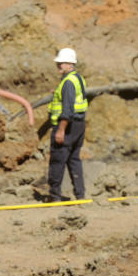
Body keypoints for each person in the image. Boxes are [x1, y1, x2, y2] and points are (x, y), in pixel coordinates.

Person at [47, 48, 88, 202]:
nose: (58, 65)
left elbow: (68, 110)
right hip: (79, 125)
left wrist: (61, 130)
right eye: (58, 63)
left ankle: (54, 196)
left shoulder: (68, 83)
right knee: (74, 159)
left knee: (58, 160)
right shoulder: (77, 78)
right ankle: (80, 195)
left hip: (67, 125)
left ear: (70, 64)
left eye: (61, 63)